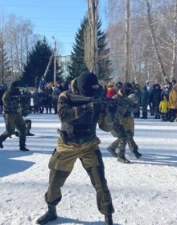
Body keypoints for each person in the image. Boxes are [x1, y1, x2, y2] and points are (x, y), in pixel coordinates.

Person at [35, 72, 116, 225]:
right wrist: (87, 108)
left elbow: (105, 127)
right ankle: (51, 211)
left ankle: (108, 217)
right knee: (54, 183)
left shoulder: (97, 94)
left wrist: (110, 115)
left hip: (89, 145)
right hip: (67, 145)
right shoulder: (66, 95)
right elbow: (63, 115)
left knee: (101, 183)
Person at [107, 82, 142, 164]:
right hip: (116, 121)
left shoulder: (127, 98)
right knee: (124, 136)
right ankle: (121, 155)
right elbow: (110, 109)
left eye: (130, 90)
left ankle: (112, 148)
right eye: (127, 90)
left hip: (124, 120)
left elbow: (130, 107)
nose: (128, 91)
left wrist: (134, 106)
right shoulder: (116, 98)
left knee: (127, 135)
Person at [0, 80, 30, 151]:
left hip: (17, 113)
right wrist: (16, 100)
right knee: (10, 131)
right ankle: (0, 140)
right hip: (9, 114)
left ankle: (22, 146)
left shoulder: (18, 93)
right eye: (17, 88)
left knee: (23, 128)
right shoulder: (7, 94)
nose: (18, 89)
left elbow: (22, 104)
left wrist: (23, 101)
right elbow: (7, 104)